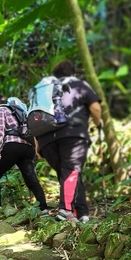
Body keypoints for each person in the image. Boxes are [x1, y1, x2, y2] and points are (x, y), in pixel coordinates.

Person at [35, 60, 103, 223]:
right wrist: (98, 122)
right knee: (71, 171)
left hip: (45, 139)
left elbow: (34, 116)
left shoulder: (44, 90)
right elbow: (95, 108)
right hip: (72, 134)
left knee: (68, 173)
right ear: (72, 72)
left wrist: (37, 145)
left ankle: (81, 212)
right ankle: (65, 210)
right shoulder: (79, 85)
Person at [0, 94, 48, 213]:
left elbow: (0, 130)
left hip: (13, 146)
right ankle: (43, 208)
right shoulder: (19, 112)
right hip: (28, 148)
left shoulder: (0, 109)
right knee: (31, 179)